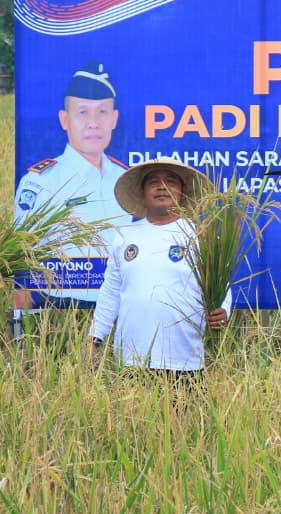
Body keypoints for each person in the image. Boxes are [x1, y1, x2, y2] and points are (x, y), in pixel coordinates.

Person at [13, 62, 127, 333]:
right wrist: (20, 333)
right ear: (65, 119)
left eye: (102, 112)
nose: (93, 123)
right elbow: (21, 257)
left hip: (117, 308)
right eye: (82, 112)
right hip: (61, 310)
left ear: (114, 119)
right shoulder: (40, 181)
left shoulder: (125, 179)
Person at [88, 158, 229, 377]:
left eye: (171, 181)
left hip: (184, 360)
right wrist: (96, 337)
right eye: (153, 181)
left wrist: (223, 310)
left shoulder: (202, 236)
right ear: (142, 193)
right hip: (130, 359)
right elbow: (111, 292)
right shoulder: (125, 235)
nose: (161, 186)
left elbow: (223, 288)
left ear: (183, 192)